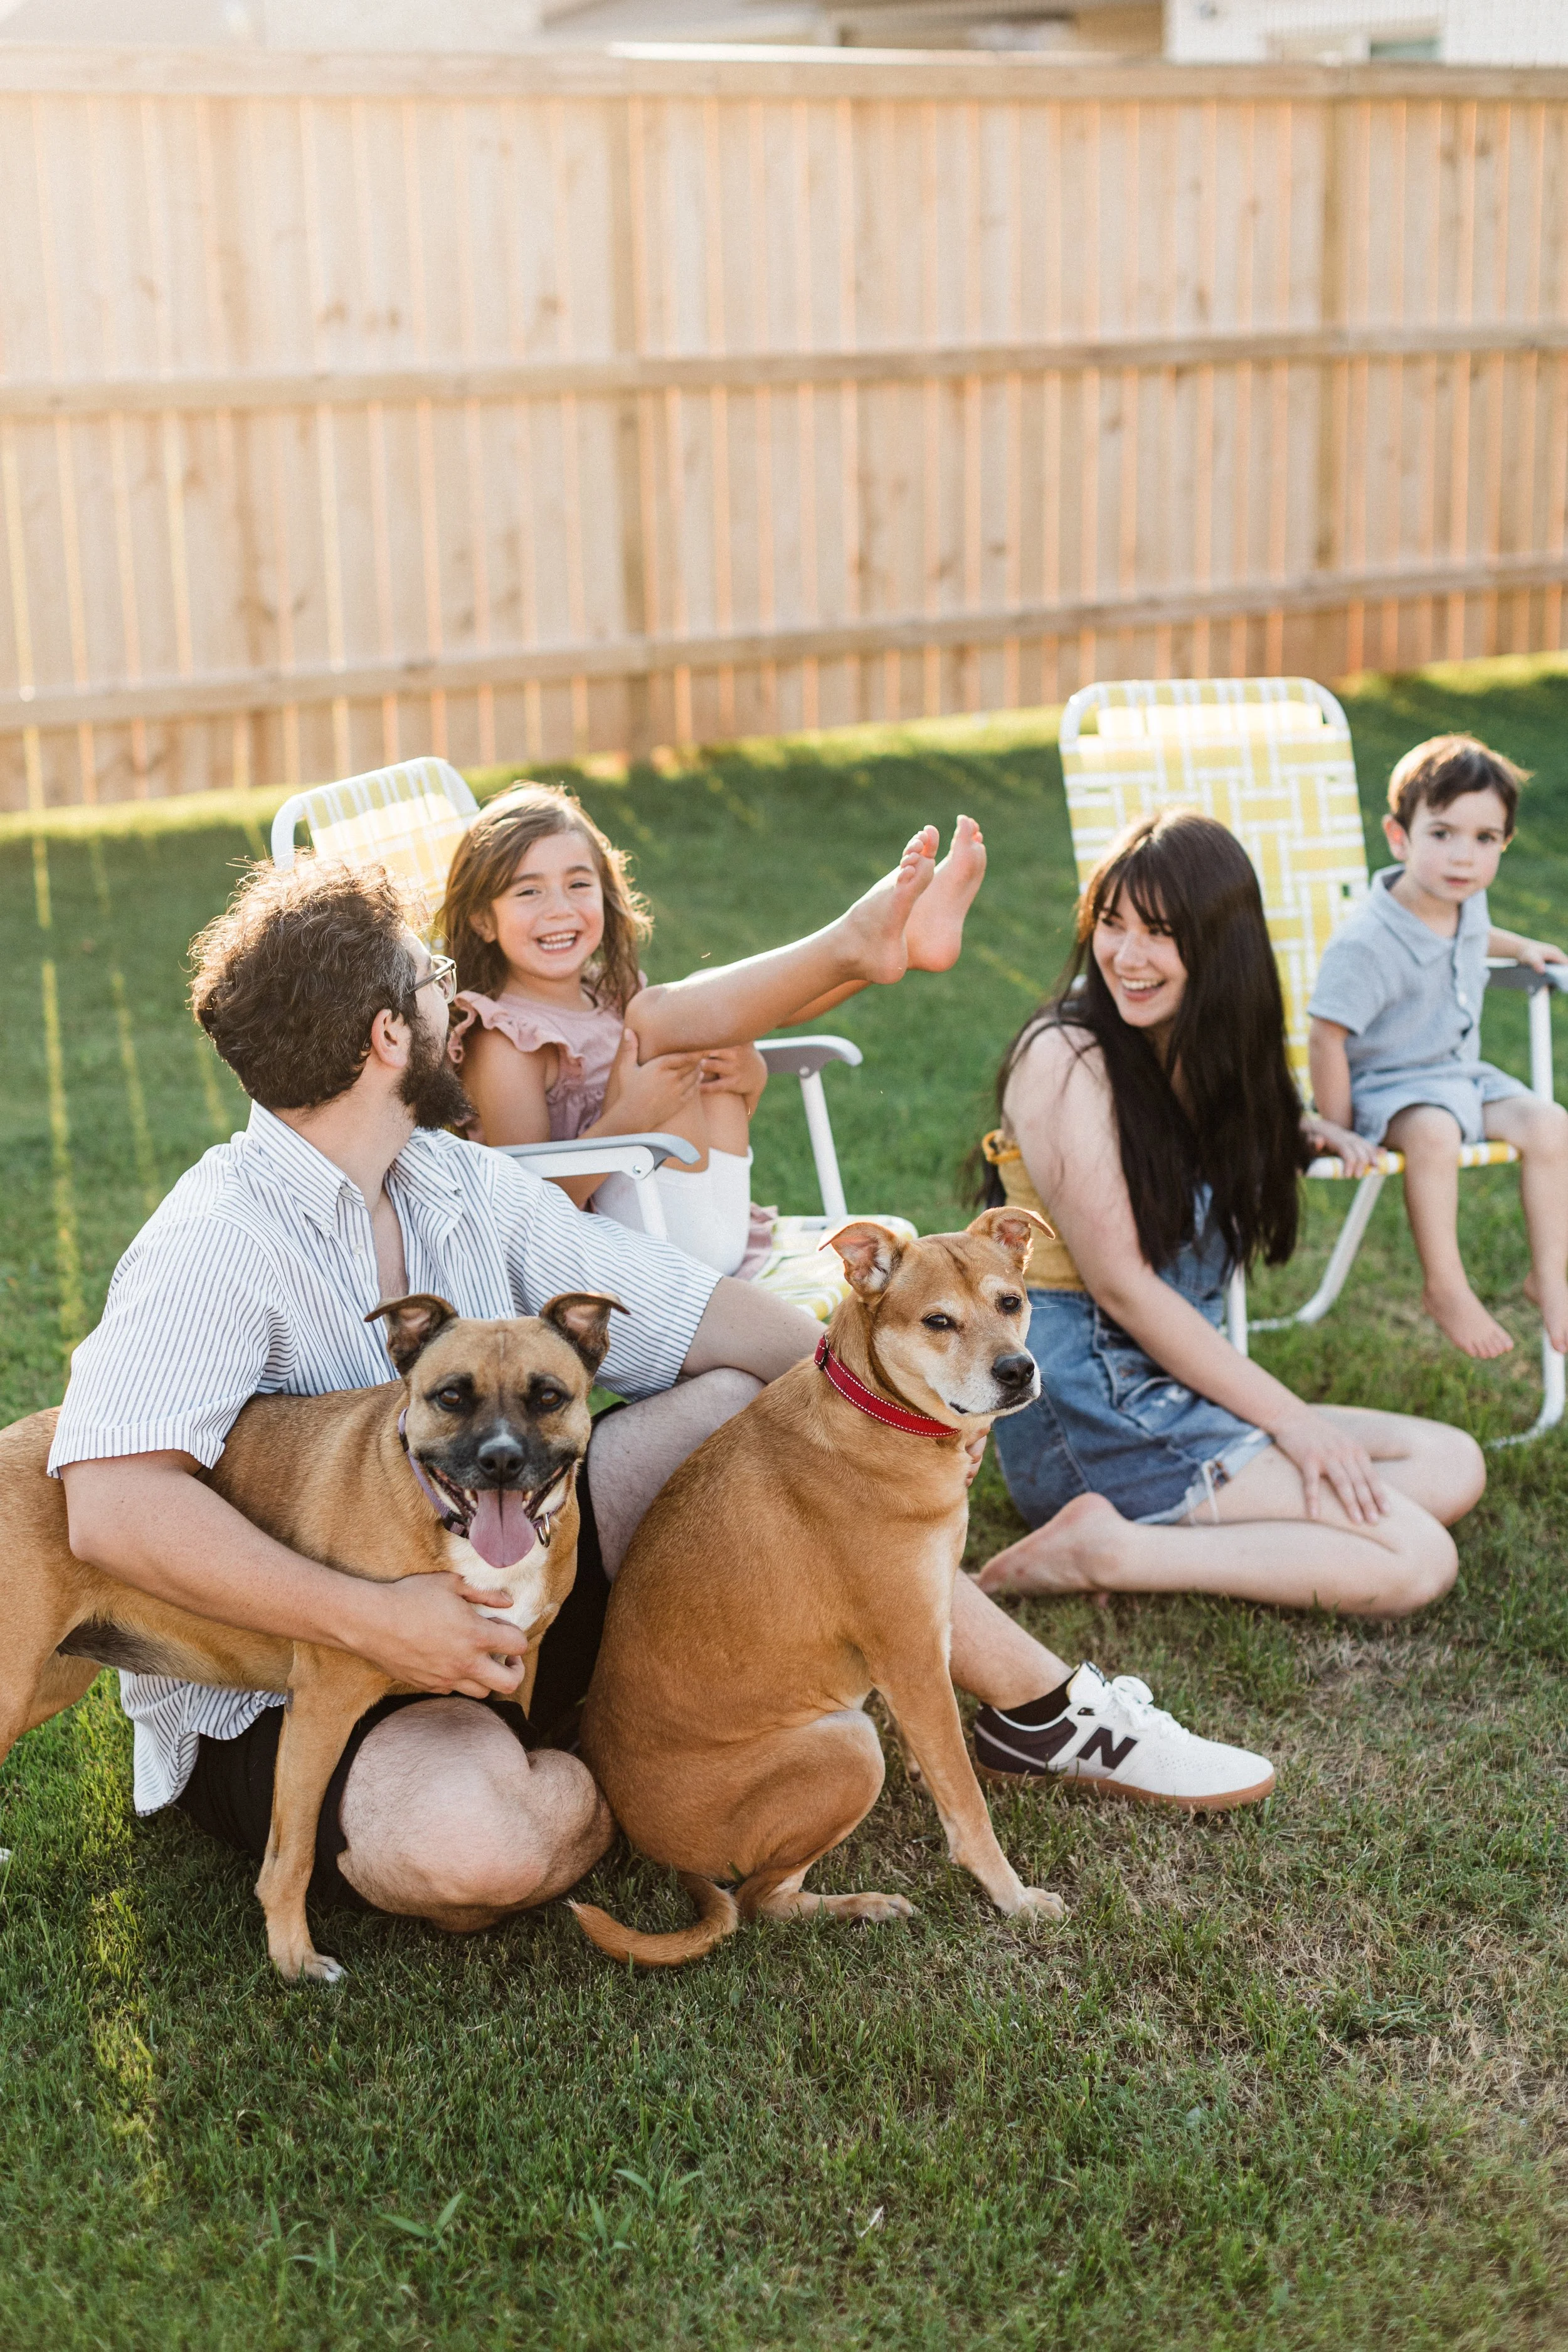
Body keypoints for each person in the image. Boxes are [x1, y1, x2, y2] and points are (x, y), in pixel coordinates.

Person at [50, 859, 1274, 1955]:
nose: (455, 1001)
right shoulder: (213, 1241)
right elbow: (110, 1508)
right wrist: (380, 1622)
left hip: (515, 1583)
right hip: (287, 1676)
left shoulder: (452, 1179)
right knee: (483, 1849)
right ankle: (598, 1754)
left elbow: (706, 1323)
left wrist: (890, 1420)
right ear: (384, 1038)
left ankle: (1036, 1707)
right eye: (432, 984)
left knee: (753, 1397)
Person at [975, 808, 1486, 1616]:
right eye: (1111, 923)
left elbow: (1188, 1148)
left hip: (1174, 1380)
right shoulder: (1065, 1055)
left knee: (1452, 1463)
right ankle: (1110, 1548)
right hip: (1090, 1405)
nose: (1126, 956)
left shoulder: (1204, 1050)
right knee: (1416, 1558)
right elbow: (1122, 1288)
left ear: (1220, 944)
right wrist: (1294, 1423)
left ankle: (1174, 1529)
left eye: (1159, 933)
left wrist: (1286, 1128)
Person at [440, 783, 988, 1274]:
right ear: (482, 919)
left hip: (709, 1225)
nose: (559, 908)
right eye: (528, 892)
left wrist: (749, 1079)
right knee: (665, 1013)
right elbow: (526, 1206)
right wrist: (630, 1121)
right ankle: (858, 943)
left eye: (578, 884)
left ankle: (900, 945)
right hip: (609, 1262)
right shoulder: (503, 1040)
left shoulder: (610, 998)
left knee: (699, 1006)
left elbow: (696, 1118)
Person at [1307, 734, 1568, 1362]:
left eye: (1485, 839)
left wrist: (1521, 947)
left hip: (1459, 1076)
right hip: (1388, 1090)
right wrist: (1338, 1127)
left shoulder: (1462, 900)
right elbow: (1325, 1034)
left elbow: (1475, 934)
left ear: (1504, 843)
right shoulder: (1366, 944)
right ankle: (1445, 1286)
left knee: (1551, 1124)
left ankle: (1550, 1278)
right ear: (1399, 837)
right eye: (1443, 833)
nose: (1463, 856)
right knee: (1434, 1133)